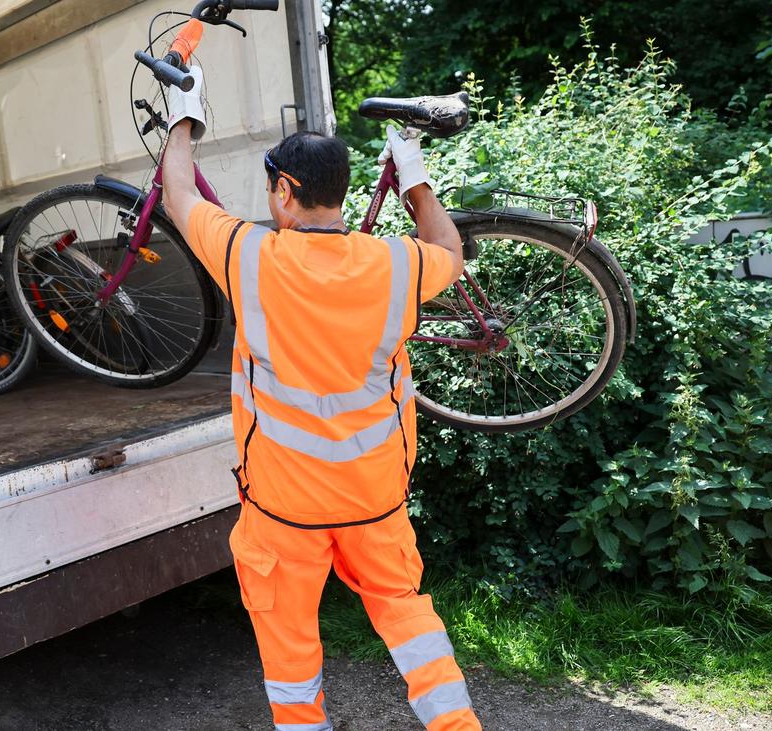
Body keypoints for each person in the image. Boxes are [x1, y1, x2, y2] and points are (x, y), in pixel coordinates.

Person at [160, 67, 482, 731]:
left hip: (284, 509)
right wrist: (415, 177)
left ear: (284, 190)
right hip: (375, 500)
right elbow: (449, 248)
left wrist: (183, 117)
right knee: (407, 616)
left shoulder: (249, 257)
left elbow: (177, 193)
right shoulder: (396, 264)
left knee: (290, 650)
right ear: (341, 193)